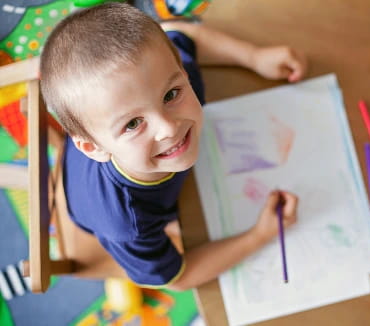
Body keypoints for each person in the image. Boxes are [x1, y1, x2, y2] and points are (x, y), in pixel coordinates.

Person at [39, 2, 306, 291]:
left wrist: (254, 57)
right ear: (95, 148)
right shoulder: (128, 226)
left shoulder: (158, 76)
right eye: (132, 124)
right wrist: (259, 235)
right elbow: (178, 278)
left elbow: (180, 33)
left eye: (171, 94)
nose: (168, 128)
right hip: (88, 202)